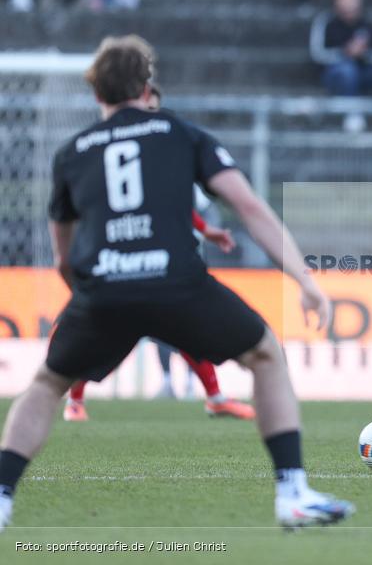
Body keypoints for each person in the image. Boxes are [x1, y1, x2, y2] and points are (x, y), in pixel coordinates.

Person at [0, 35, 352, 532]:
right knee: (266, 355)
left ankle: (2, 497)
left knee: (45, 385)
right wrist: (304, 278)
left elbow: (64, 252)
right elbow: (248, 207)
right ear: (147, 87)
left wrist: (88, 297)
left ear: (96, 92)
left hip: (105, 288)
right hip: (177, 284)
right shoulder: (181, 133)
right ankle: (292, 493)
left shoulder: (72, 152)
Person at [62, 84, 255, 422]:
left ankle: (215, 396)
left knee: (186, 331)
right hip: (129, 262)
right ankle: (73, 400)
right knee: (103, 333)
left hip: (153, 261)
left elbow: (172, 200)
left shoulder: (155, 147)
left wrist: (204, 229)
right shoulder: (134, 149)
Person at [309, 0, 372, 132]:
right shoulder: (325, 21)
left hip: (364, 70)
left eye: (354, 8)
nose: (350, 12)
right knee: (347, 70)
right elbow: (317, 53)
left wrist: (363, 53)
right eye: (346, 8)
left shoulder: (368, 24)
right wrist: (345, 53)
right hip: (335, 73)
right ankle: (353, 114)